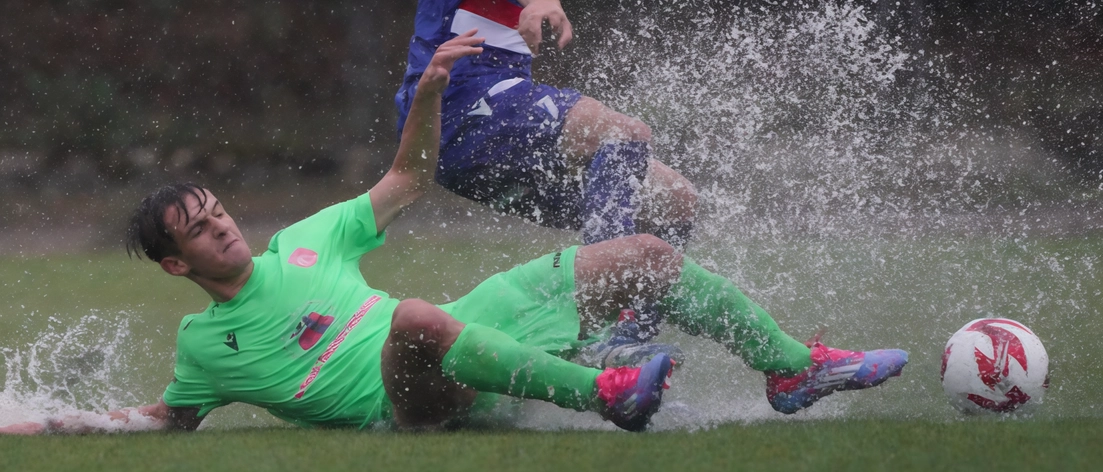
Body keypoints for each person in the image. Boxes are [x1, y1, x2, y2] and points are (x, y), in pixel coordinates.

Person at [0, 32, 907, 435]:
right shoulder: (205, 348)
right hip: (407, 398)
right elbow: (161, 422)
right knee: (415, 321)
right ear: (175, 264)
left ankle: (792, 366)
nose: (222, 229)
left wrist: (428, 97)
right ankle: (608, 392)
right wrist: (40, 424)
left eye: (218, 212)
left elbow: (406, 179)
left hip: (466, 321)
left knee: (647, 256)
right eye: (199, 233)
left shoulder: (311, 238)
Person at [395, 0, 698, 359]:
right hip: (458, 106)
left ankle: (622, 358)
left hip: (488, 134)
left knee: (674, 197)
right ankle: (612, 331)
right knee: (621, 131)